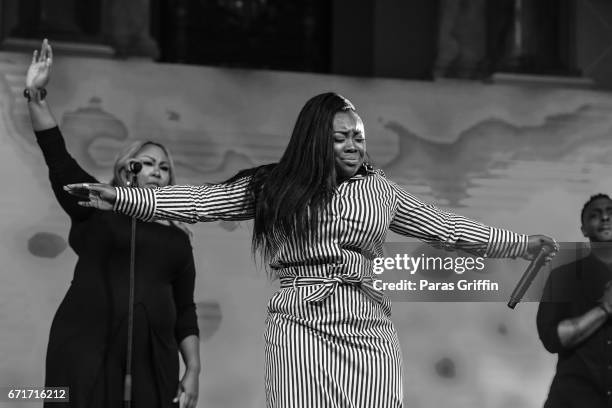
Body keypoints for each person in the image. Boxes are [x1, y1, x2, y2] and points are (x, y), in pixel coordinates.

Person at [66, 91, 557, 407]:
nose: (353, 146)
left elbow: (444, 225)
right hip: (299, 320)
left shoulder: (380, 189)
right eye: (340, 137)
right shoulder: (274, 187)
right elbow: (201, 201)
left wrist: (518, 243)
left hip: (368, 323)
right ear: (315, 140)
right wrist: (124, 196)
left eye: (359, 138)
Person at [27, 40, 200, 408]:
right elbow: (58, 158)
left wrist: (194, 369)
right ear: (125, 170)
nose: (157, 170)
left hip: (153, 358)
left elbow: (185, 310)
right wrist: (36, 96)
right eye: (148, 162)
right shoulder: (96, 205)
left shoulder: (179, 239)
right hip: (84, 343)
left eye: (164, 167)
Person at [537, 194, 612, 408]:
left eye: (610, 213)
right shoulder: (562, 277)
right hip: (572, 401)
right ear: (584, 229)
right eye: (595, 215)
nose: (605, 218)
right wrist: (604, 310)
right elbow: (551, 339)